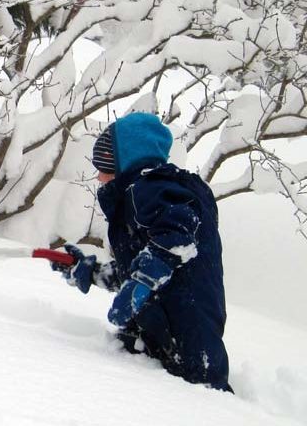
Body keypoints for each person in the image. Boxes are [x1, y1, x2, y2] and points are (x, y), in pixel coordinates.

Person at [54, 112, 232, 392]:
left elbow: (179, 233)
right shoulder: (141, 196)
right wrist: (93, 272)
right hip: (158, 329)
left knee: (204, 397)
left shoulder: (153, 188)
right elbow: (146, 262)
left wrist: (142, 281)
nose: (100, 176)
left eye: (106, 165)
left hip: (190, 330)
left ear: (129, 161)